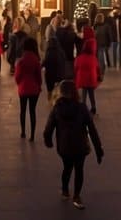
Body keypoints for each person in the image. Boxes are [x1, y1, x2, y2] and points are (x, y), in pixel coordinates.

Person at [43, 80, 104, 210]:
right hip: (80, 145)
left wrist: (48, 141)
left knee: (67, 167)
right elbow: (92, 130)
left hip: (64, 146)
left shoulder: (57, 108)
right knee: (79, 170)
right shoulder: (82, 108)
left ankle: (65, 190)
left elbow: (48, 128)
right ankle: (76, 196)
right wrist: (99, 149)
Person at [13, 37, 43, 141]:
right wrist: (39, 85)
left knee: (23, 110)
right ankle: (32, 135)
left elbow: (17, 76)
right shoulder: (36, 60)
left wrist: (19, 84)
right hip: (34, 89)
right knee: (32, 111)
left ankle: (23, 132)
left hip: (23, 88)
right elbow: (39, 76)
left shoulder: (21, 61)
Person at [41, 32, 67, 103]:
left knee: (50, 88)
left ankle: (49, 99)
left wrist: (41, 66)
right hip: (59, 74)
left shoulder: (48, 52)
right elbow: (64, 61)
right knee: (59, 88)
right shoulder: (61, 51)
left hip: (50, 74)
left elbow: (45, 62)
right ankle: (58, 99)